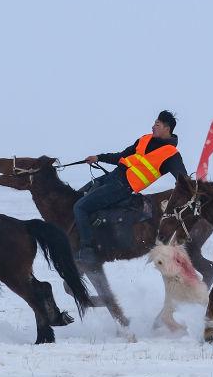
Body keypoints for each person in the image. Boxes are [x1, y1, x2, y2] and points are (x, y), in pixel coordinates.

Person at [73, 110, 187, 265]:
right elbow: (122, 156)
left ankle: (87, 251)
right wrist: (99, 157)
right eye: (154, 123)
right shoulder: (145, 139)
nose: (153, 126)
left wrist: (191, 189)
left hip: (121, 187)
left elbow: (183, 180)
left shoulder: (172, 155)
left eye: (157, 124)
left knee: (80, 207)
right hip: (111, 177)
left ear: (167, 128)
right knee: (77, 197)